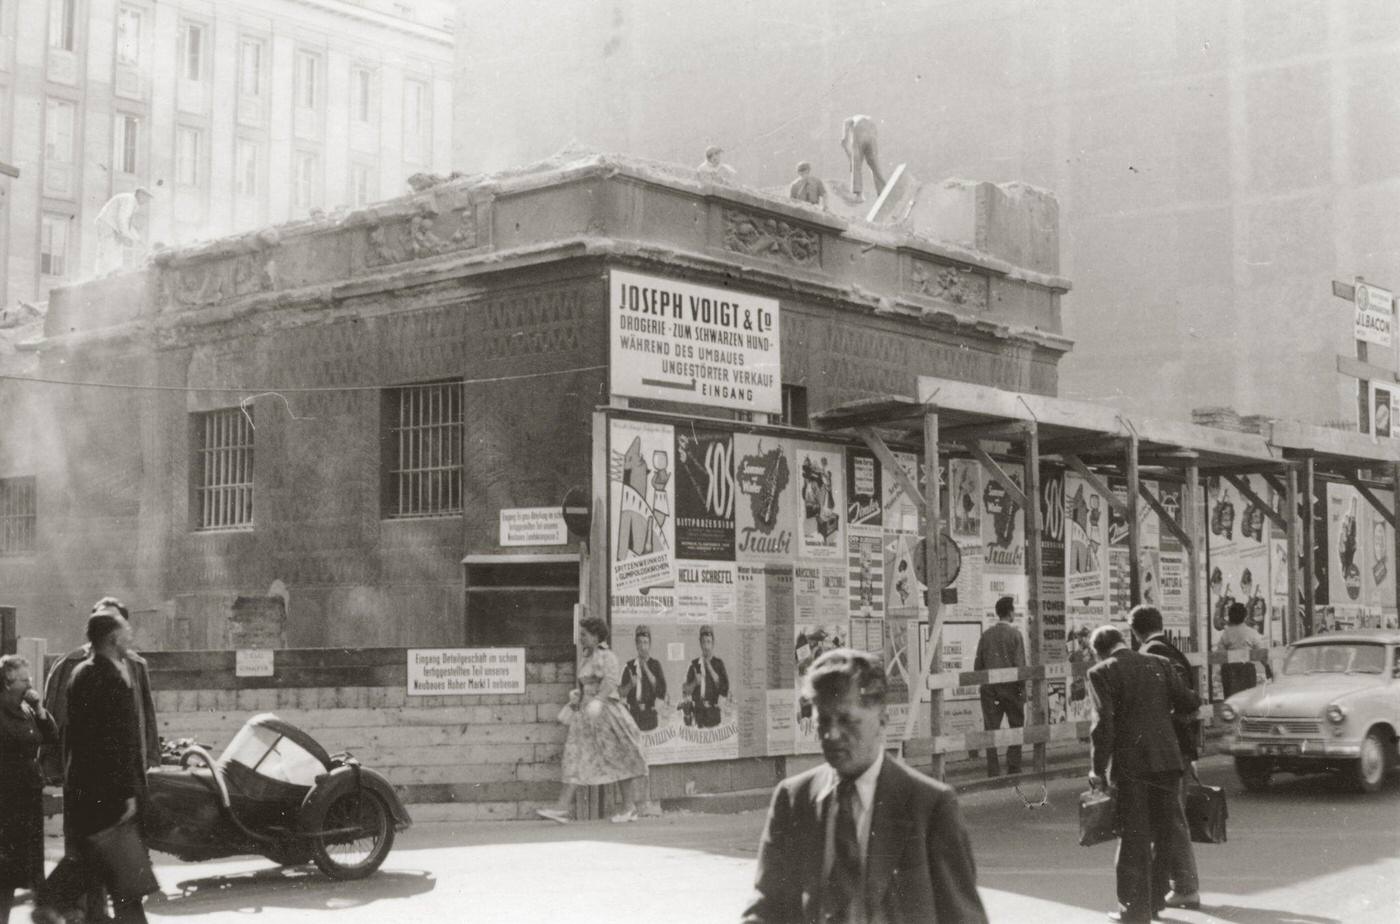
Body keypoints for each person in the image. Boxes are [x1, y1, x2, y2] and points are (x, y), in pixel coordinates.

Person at [743, 648, 987, 924]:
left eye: (846, 720)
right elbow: (767, 907)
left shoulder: (930, 806)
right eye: (823, 721)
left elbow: (963, 918)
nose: (831, 734)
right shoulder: (793, 799)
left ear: (882, 720)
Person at [42, 597, 159, 924]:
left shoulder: (93, 671)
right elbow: (113, 741)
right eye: (126, 629)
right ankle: (54, 900)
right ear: (113, 637)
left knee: (101, 867)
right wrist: (127, 794)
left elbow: (142, 722)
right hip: (109, 794)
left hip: (95, 789)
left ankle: (54, 900)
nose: (131, 634)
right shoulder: (105, 675)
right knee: (117, 875)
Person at [1087, 625, 1200, 923]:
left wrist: (1097, 769)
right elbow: (1190, 702)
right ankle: (1155, 902)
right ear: (1123, 641)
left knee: (1133, 837)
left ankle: (1134, 910)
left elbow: (1103, 726)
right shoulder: (1160, 664)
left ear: (1098, 650)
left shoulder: (1101, 672)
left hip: (1131, 766)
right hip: (1167, 761)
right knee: (1163, 834)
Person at [536, 616, 648, 825]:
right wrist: (574, 701)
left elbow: (610, 681)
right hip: (585, 717)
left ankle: (629, 807)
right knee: (575, 755)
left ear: (596, 636)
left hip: (606, 714)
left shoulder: (607, 657)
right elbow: (583, 685)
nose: (582, 638)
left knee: (619, 756)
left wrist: (598, 700)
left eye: (585, 635)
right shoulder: (587, 657)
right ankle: (562, 808)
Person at [1128, 605, 1202, 912]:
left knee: (1172, 818)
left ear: (1134, 630)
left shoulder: (1152, 653)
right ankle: (1180, 884)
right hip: (1178, 745)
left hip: (1167, 748)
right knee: (1171, 816)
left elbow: (1178, 700)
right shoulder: (1171, 650)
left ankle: (1185, 887)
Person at [0, 655, 58, 924]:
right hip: (7, 796)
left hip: (29, 793)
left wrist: (41, 709)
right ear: (8, 681)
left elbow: (51, 736)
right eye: (24, 679)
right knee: (7, 867)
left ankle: (41, 913)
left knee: (31, 862)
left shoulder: (26, 708)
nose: (29, 684)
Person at [974, 596, 1027, 777]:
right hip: (1012, 690)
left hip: (990, 692)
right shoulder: (1015, 635)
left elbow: (978, 667)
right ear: (1010, 612)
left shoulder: (986, 636)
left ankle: (993, 770)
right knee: (1016, 727)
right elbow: (1021, 667)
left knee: (991, 730)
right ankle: (1014, 767)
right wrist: (1022, 691)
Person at [93, 187, 153, 275]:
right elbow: (122, 219)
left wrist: (138, 239)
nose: (147, 201)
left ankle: (110, 274)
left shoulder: (132, 202)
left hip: (112, 226)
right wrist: (126, 235)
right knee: (108, 249)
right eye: (146, 197)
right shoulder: (130, 200)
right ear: (140, 194)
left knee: (115, 250)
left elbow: (128, 225)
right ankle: (102, 274)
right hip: (108, 224)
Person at [1218, 601, 1269, 697]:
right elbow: (1261, 653)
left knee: (1231, 700)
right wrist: (1267, 667)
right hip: (1246, 671)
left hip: (1230, 671)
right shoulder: (1251, 632)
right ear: (1245, 616)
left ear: (1230, 616)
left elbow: (1220, 655)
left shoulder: (1226, 634)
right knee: (1247, 699)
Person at [620, 624, 666, 732]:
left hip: (650, 717)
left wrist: (646, 669)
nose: (642, 646)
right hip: (633, 717)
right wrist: (630, 684)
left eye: (645, 642)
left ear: (649, 644)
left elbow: (662, 691)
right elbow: (621, 693)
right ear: (636, 645)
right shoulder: (629, 666)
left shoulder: (655, 665)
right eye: (639, 642)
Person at [682, 624, 729, 728]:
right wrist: (695, 682)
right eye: (703, 642)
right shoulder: (694, 664)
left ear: (713, 643)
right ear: (700, 643)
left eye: (709, 642)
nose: (706, 646)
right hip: (697, 714)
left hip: (713, 713)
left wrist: (708, 665)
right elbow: (685, 691)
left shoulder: (718, 663)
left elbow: (724, 689)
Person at [840, 115, 886, 201]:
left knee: (856, 163)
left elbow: (843, 140)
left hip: (860, 128)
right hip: (872, 129)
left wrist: (851, 159)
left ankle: (859, 195)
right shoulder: (866, 119)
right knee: (874, 163)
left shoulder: (847, 121)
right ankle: (882, 191)